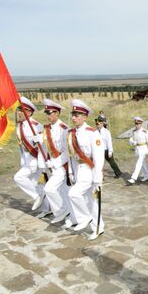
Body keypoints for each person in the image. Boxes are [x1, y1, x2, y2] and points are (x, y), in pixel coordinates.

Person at [64, 99, 106, 239]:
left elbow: (99, 157)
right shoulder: (70, 133)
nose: (74, 118)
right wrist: (70, 171)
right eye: (73, 115)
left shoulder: (92, 133)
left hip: (90, 170)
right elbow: (70, 155)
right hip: (78, 170)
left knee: (74, 194)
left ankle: (84, 218)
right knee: (90, 201)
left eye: (77, 115)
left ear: (85, 117)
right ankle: (98, 227)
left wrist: (97, 177)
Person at [13, 97, 50, 215]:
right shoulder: (19, 126)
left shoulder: (36, 125)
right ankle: (47, 209)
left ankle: (36, 196)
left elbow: (43, 145)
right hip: (27, 159)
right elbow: (21, 146)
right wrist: (23, 161)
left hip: (36, 160)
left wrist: (42, 162)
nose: (19, 113)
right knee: (37, 185)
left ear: (29, 112)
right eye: (19, 110)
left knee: (18, 178)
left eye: (22, 110)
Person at [40, 98, 71, 224]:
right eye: (46, 113)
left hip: (62, 165)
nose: (47, 115)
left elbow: (67, 151)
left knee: (50, 189)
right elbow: (46, 148)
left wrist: (55, 163)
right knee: (63, 191)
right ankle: (70, 215)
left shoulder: (64, 129)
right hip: (51, 165)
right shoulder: (47, 128)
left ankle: (62, 211)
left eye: (50, 113)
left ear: (57, 113)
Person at [127, 117, 148, 184]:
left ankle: (133, 178)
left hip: (144, 149)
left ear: (141, 124)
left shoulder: (145, 131)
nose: (136, 125)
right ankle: (147, 176)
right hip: (137, 149)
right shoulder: (134, 131)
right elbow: (130, 140)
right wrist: (133, 142)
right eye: (135, 124)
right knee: (142, 163)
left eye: (138, 124)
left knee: (138, 163)